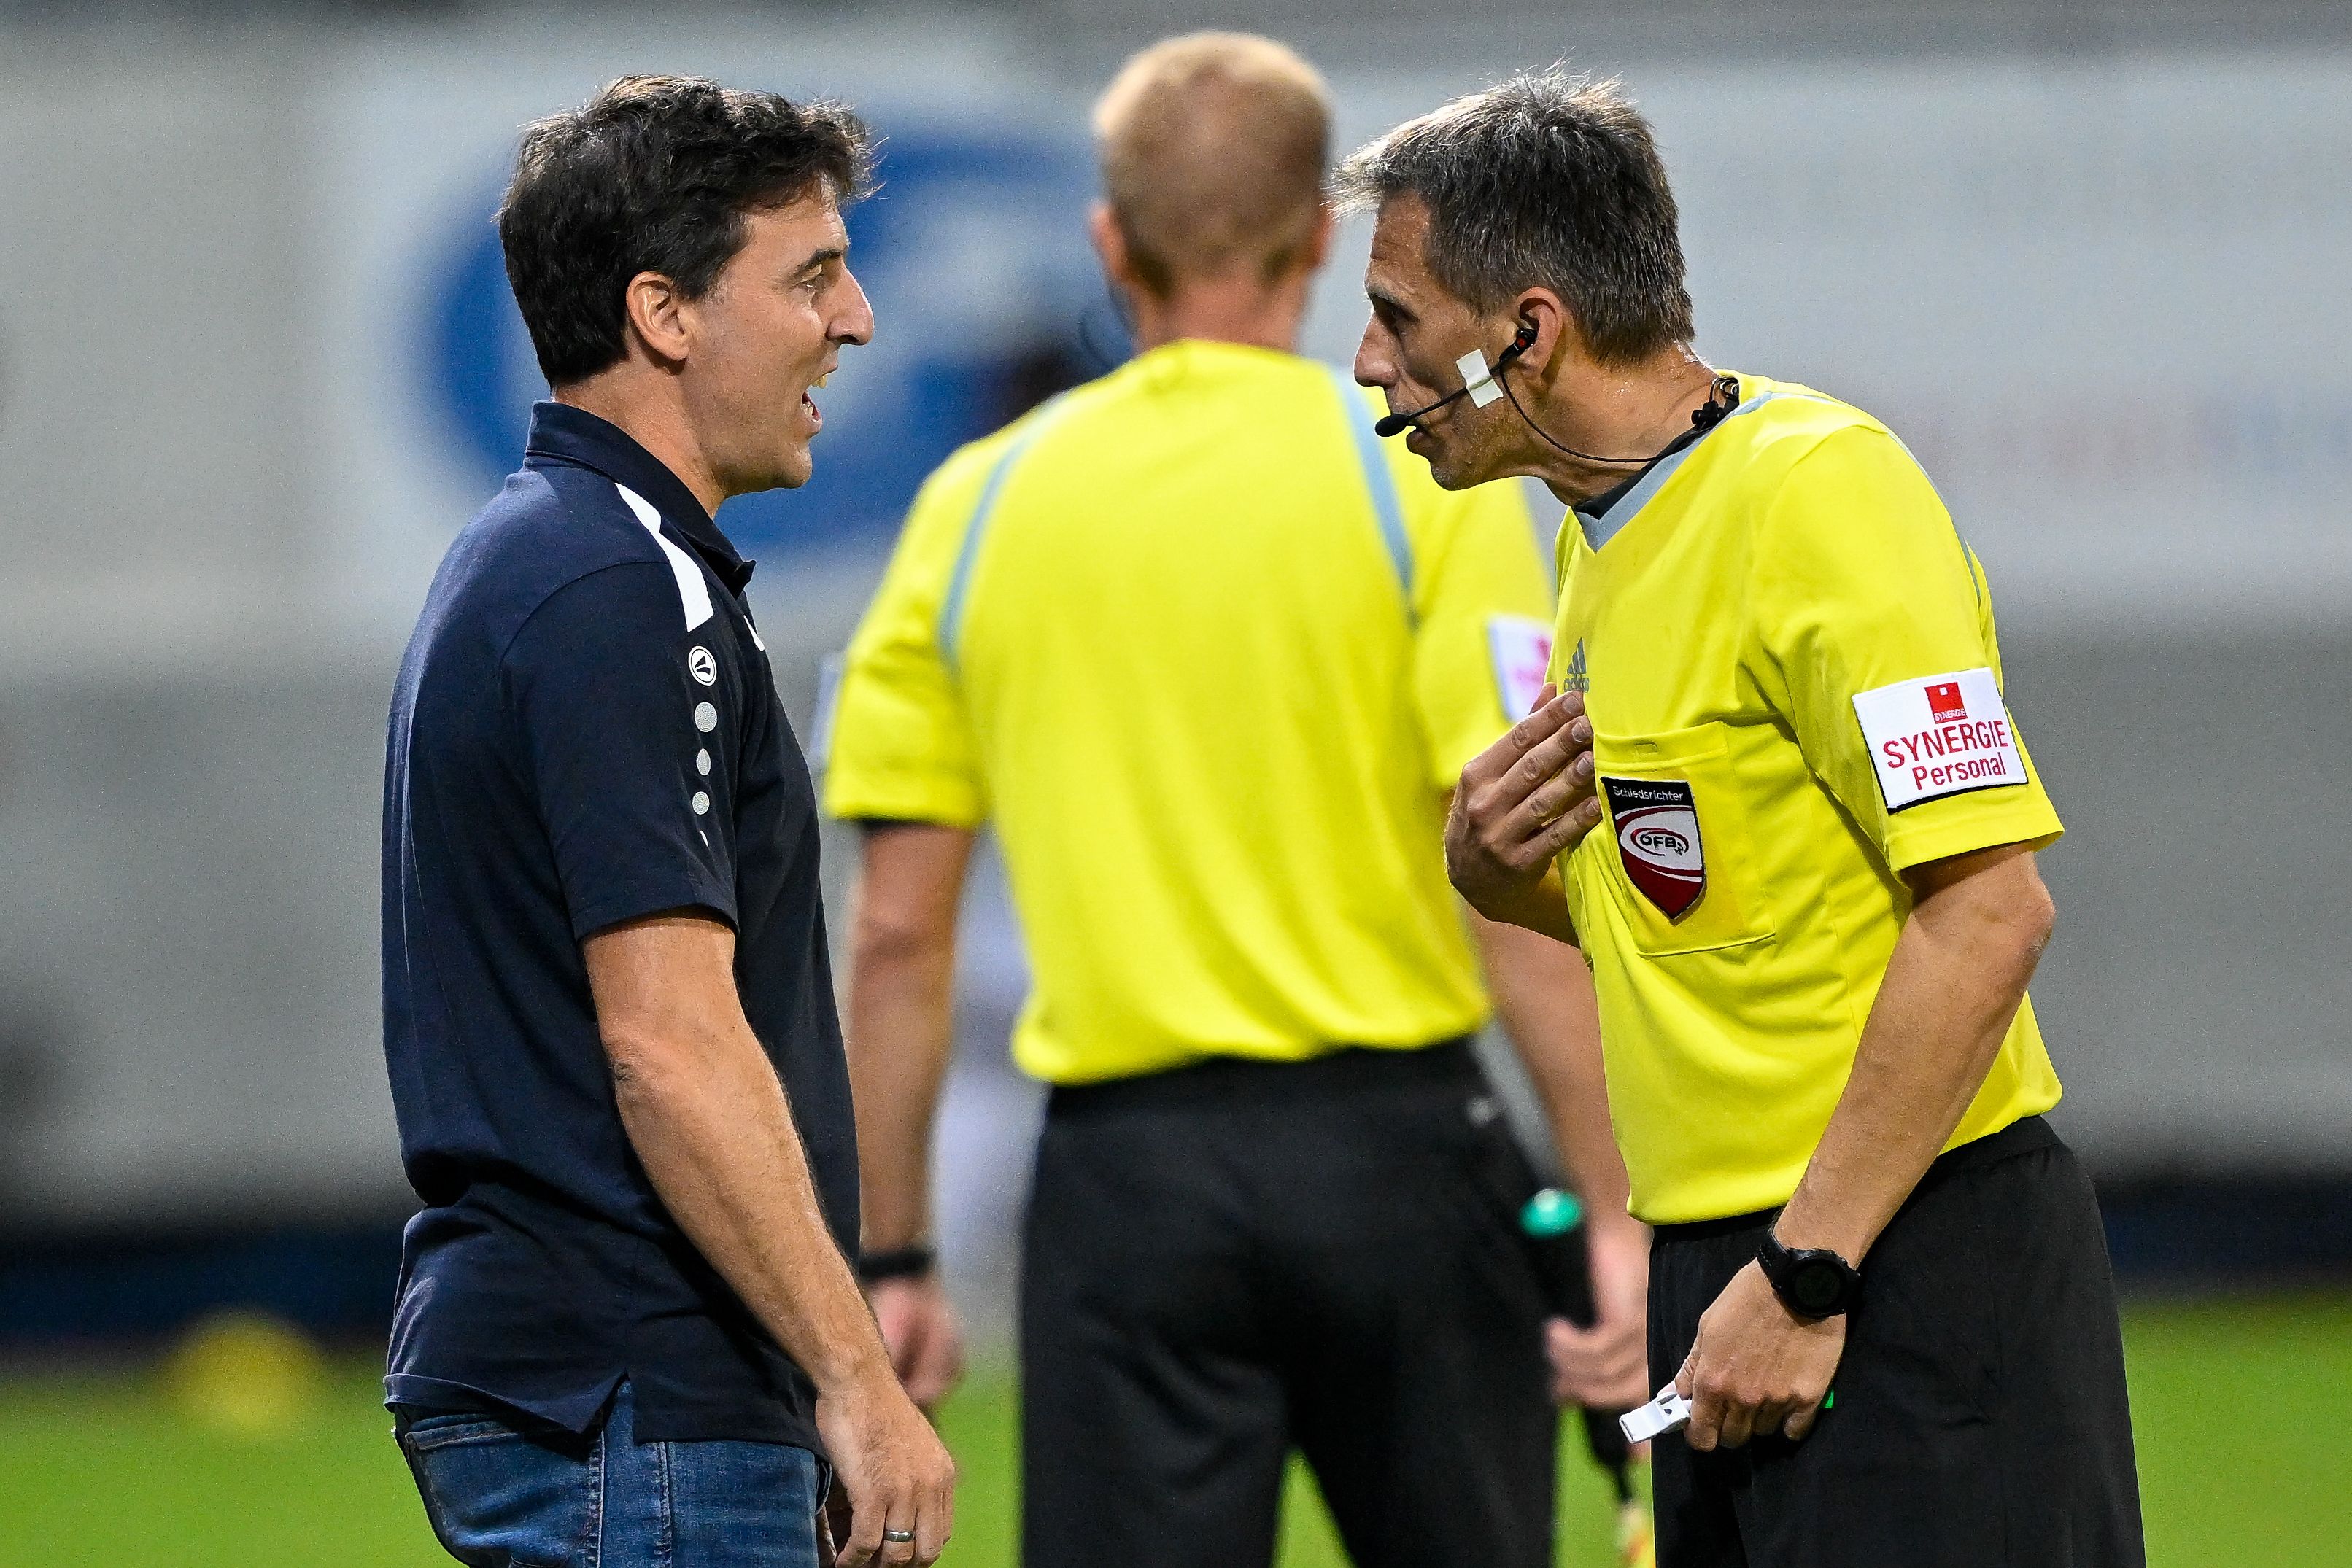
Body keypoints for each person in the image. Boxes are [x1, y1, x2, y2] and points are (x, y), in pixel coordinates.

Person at [822, 34, 1651, 1568]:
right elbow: (1520, 876)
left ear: (1108, 240)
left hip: (1124, 1185)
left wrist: (895, 1253)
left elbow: (895, 935)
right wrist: (1615, 1205)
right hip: (1403, 1157)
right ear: (1322, 241)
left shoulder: (976, 507)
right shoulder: (1417, 480)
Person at [1334, 70, 2146, 1568]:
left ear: (1526, 332)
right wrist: (1503, 881)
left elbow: (1990, 909)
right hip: (1731, 1275)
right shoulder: (1598, 538)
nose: (1369, 359)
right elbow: (1705, 916)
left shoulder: (1820, 494)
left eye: (1396, 313)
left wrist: (1808, 1270)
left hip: (1895, 1269)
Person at [379, 76, 953, 1568]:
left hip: (601, 1387)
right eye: (812, 275)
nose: (857, 319)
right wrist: (856, 1377)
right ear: (665, 313)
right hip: (633, 1390)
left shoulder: (563, 556)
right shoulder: (621, 589)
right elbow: (669, 1039)